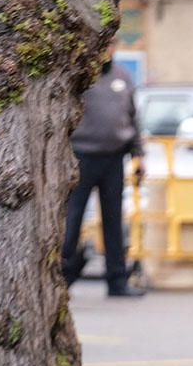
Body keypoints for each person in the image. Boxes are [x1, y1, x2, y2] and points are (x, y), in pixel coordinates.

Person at [61, 38, 147, 297]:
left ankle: (117, 281)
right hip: (82, 156)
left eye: (113, 44)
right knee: (71, 220)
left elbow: (132, 118)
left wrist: (138, 153)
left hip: (114, 158)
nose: (108, 49)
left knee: (113, 221)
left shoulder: (122, 76)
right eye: (104, 43)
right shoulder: (80, 75)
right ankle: (62, 276)